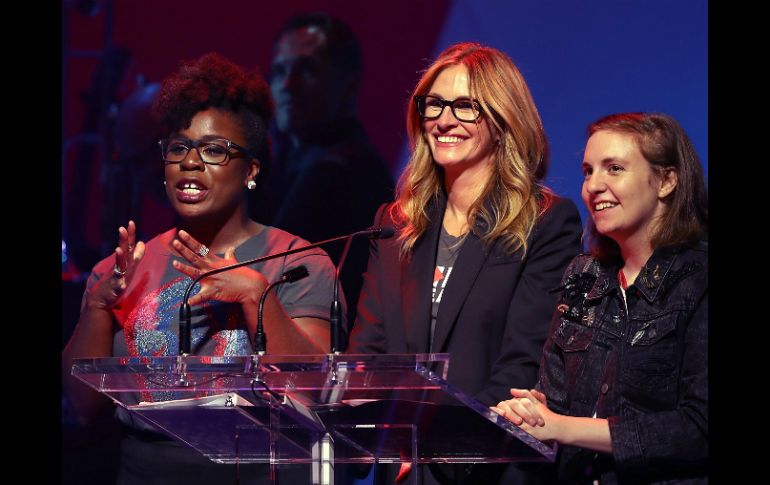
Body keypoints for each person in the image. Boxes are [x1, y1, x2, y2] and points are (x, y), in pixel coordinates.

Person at [62, 52, 340, 485]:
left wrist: (255, 295)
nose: (190, 162)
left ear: (251, 169)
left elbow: (313, 393)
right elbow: (82, 409)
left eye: (214, 150)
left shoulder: (298, 262)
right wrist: (98, 306)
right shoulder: (118, 269)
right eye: (178, 147)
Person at [347, 42, 583, 484]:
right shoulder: (394, 223)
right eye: (434, 104)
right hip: (399, 468)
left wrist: (438, 453)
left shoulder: (545, 223)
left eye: (465, 107)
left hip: (486, 466)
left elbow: (522, 366)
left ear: (502, 121)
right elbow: (368, 356)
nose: (444, 120)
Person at [492, 112, 708, 483]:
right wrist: (535, 411)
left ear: (667, 180)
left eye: (614, 169)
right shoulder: (583, 275)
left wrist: (563, 427)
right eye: (588, 171)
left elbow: (698, 429)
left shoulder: (699, 279)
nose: (593, 185)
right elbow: (556, 401)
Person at [253, 12, 394, 329]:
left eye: (307, 70)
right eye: (279, 71)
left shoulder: (346, 169)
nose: (287, 85)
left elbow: (261, 269)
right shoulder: (283, 159)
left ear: (349, 85)